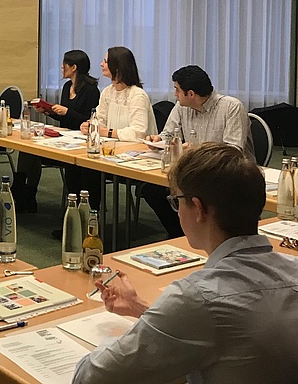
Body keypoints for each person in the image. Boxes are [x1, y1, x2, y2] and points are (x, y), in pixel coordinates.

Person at [73, 143, 298, 383]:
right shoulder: (292, 269)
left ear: (198, 209)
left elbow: (92, 376)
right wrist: (142, 309)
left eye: (177, 201)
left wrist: (125, 338)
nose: (178, 212)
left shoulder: (196, 296)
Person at [141, 65, 255, 238]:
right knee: (152, 190)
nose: (175, 94)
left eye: (177, 89)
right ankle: (180, 234)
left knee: (195, 195)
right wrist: (158, 140)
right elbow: (168, 134)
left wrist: (195, 150)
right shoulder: (181, 107)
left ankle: (196, 235)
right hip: (195, 171)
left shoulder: (232, 107)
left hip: (226, 175)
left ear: (191, 94)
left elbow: (233, 151)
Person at [13, 50, 99, 212]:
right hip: (65, 135)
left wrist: (67, 112)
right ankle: (24, 193)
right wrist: (48, 111)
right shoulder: (67, 87)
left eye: (64, 64)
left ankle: (21, 192)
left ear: (73, 67)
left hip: (81, 140)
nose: (61, 67)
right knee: (29, 147)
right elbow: (65, 118)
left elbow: (89, 121)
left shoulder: (91, 90)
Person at [73, 46, 157, 211]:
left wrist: (106, 132)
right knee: (78, 165)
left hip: (137, 155)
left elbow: (138, 133)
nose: (101, 64)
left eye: (105, 61)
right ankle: (80, 210)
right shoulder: (107, 92)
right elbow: (99, 119)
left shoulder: (137, 95)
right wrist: (90, 125)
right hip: (112, 151)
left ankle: (93, 212)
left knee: (91, 169)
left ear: (117, 68)